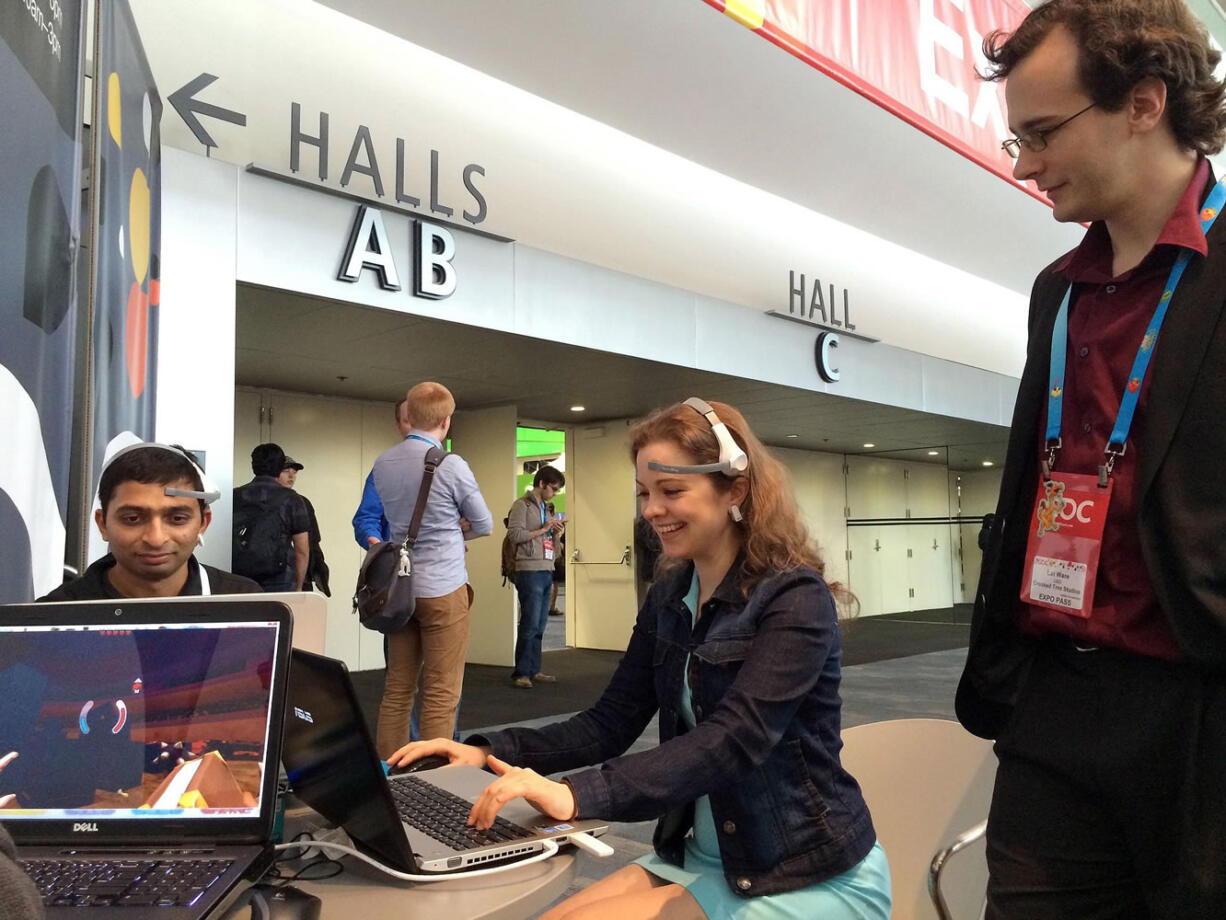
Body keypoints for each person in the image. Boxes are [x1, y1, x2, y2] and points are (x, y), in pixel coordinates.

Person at [390, 399, 890, 919]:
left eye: (672, 491)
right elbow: (608, 723)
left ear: (735, 490)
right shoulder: (672, 590)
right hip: (700, 857)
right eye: (645, 493)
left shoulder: (794, 597)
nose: (651, 509)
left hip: (801, 871)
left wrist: (574, 795)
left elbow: (733, 741)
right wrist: (487, 750)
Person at [958, 3, 1226, 916]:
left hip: (1199, 711)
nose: (1027, 165)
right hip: (1056, 698)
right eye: (1017, 140)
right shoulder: (1057, 291)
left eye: (1042, 134)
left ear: (1145, 102)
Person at [370, 382, 492, 757]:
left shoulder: (383, 463)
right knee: (441, 691)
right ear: (445, 419)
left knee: (398, 688)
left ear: (409, 416)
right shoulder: (452, 464)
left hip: (400, 589)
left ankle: (389, 774)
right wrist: (455, 526)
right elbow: (484, 523)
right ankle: (435, 782)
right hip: (444, 587)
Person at [40, 442, 259, 600]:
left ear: (203, 523)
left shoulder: (247, 602)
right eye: (133, 519)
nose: (155, 539)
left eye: (177, 518)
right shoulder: (55, 615)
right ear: (103, 524)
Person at [505, 466, 566, 688]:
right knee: (529, 622)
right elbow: (515, 534)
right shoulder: (521, 506)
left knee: (540, 624)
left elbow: (554, 549)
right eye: (554, 489)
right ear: (542, 484)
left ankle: (534, 669)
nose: (556, 493)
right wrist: (543, 529)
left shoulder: (546, 508)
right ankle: (521, 672)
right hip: (528, 569)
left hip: (546, 567)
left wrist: (556, 534)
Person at [232, 443, 310, 592]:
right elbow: (302, 550)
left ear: (253, 465)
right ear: (279, 467)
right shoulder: (292, 499)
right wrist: (299, 587)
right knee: (278, 615)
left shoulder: (235, 496)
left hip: (241, 577)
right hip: (280, 579)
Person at [352, 397, 412, 549]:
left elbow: (477, 520)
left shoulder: (449, 467)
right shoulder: (386, 468)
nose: (416, 428)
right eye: (408, 421)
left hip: (440, 566)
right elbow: (366, 518)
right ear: (398, 426)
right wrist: (376, 545)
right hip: (397, 562)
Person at [277, 456, 330, 596]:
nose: (291, 476)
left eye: (294, 472)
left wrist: (318, 570)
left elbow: (312, 542)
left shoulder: (302, 502)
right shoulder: (261, 501)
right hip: (274, 575)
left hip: (301, 573)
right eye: (286, 470)